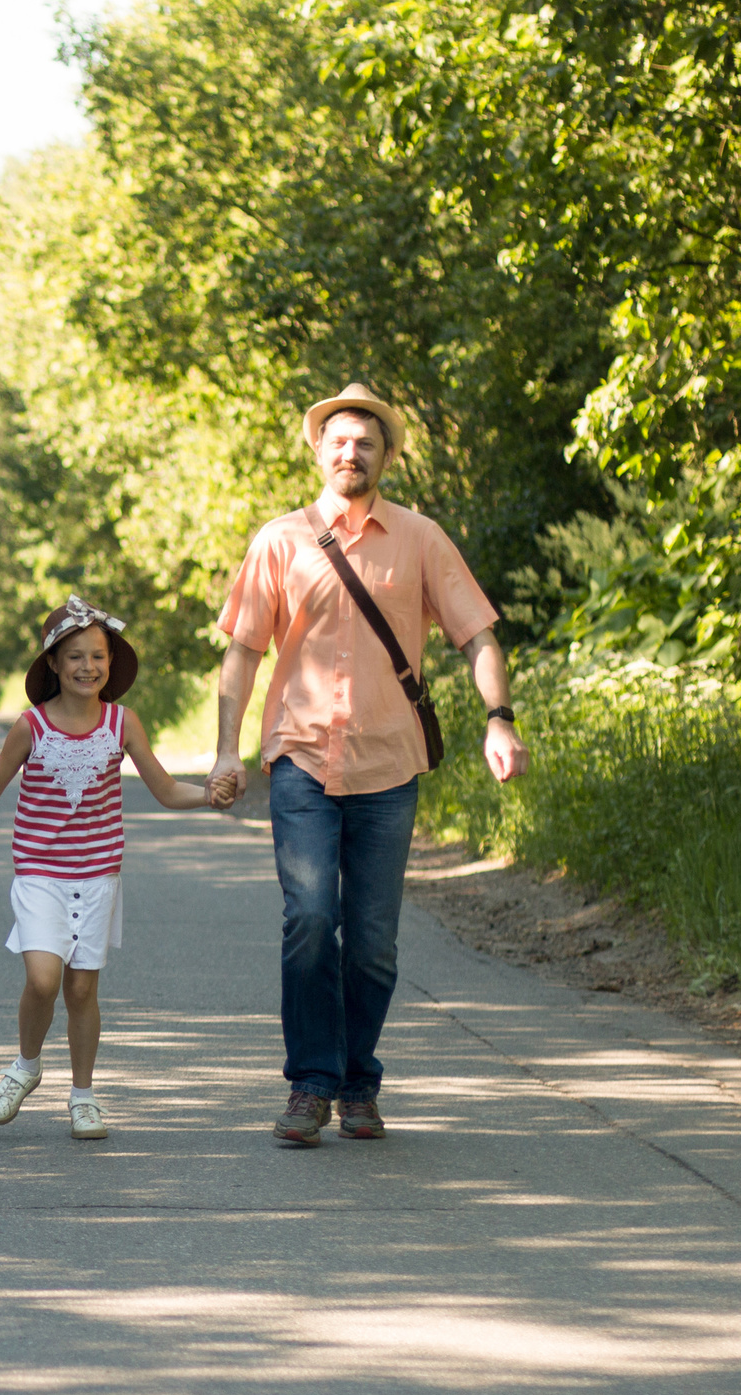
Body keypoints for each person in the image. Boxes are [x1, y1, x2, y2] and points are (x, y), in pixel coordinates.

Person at [210, 383, 530, 1147]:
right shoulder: (280, 540)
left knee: (374, 940)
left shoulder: (421, 538)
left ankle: (359, 1083)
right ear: (319, 452)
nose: (351, 453)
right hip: (301, 759)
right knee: (310, 919)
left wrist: (500, 717)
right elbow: (243, 651)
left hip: (390, 766)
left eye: (366, 442)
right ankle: (311, 1083)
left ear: (387, 456)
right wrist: (227, 748)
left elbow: (478, 635)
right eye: (339, 442)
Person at [0, 597, 242, 1139]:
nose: (87, 666)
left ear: (111, 662)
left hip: (98, 877)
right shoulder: (31, 726)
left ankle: (83, 1097)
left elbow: (165, 789)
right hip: (40, 874)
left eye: (98, 656)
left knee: (81, 990)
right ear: (53, 664)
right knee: (43, 978)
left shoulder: (122, 723)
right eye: (74, 656)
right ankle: (26, 1066)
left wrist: (208, 796)